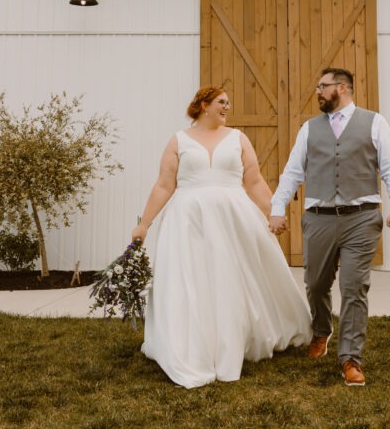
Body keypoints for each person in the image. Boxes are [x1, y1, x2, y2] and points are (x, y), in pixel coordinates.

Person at [131, 85, 311, 389]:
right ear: (203, 105)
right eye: (221, 102)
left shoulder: (239, 139)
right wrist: (144, 224)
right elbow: (164, 185)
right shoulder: (179, 140)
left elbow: (253, 181)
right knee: (193, 280)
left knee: (231, 277)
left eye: (228, 103)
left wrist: (273, 213)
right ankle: (194, 344)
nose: (227, 107)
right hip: (188, 220)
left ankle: (233, 339)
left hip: (233, 216)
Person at [269, 68, 390, 388]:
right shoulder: (309, 129)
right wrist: (277, 209)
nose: (318, 91)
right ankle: (322, 329)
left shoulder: (374, 122)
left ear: (343, 88)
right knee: (315, 283)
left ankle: (350, 358)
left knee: (354, 287)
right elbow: (293, 172)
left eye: (323, 86)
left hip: (361, 217)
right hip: (318, 216)